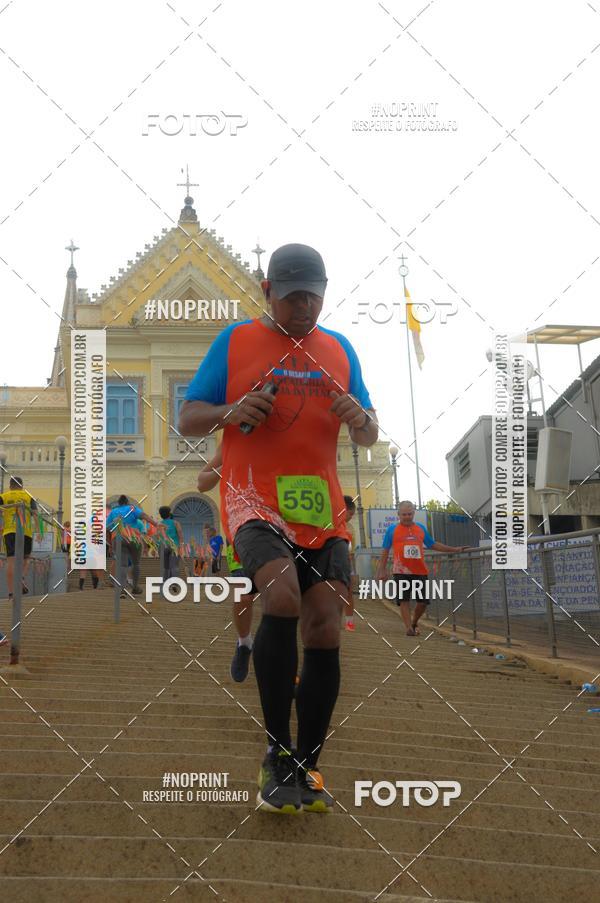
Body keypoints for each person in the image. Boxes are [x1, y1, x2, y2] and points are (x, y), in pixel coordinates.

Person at [179, 242, 378, 814]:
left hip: (319, 504)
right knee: (283, 595)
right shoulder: (236, 341)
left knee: (325, 628)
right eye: (292, 298)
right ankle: (276, 749)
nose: (304, 309)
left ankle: (307, 765)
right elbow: (190, 414)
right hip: (251, 495)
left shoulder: (339, 350)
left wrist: (358, 419)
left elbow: (367, 432)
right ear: (268, 292)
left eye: (313, 297)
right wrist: (231, 410)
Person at [197, 444, 257, 682]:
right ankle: (244, 643)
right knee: (244, 597)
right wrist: (227, 465)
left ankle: (284, 669)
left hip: (281, 529)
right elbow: (202, 482)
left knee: (283, 600)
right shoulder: (233, 443)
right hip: (242, 533)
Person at [377, 500, 467, 635]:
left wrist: (454, 549)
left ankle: (414, 623)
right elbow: (385, 551)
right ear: (398, 515)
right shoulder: (392, 530)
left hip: (419, 570)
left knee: (423, 602)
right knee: (404, 600)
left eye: (409, 514)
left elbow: (433, 544)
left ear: (414, 513)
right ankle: (408, 628)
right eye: (404, 514)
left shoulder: (420, 528)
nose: (407, 517)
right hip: (400, 570)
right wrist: (382, 570)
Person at [106, 495, 158, 597]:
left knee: (122, 565)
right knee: (136, 563)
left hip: (119, 538)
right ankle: (135, 587)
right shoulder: (132, 508)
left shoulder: (113, 512)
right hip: (134, 538)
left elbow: (107, 529)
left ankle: (122, 589)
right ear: (127, 502)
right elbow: (144, 516)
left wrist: (111, 545)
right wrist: (155, 524)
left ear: (119, 503)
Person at [0, 476, 37, 599]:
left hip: (9, 531)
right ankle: (20, 577)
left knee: (11, 561)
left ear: (10, 486)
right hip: (26, 532)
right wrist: (39, 532)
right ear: (22, 486)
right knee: (26, 558)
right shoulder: (28, 497)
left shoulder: (3, 497)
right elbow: (36, 515)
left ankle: (11, 593)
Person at [159, 506, 184, 582]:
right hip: (174, 546)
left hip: (163, 546)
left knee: (165, 567)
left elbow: (157, 536)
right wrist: (181, 546)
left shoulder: (160, 524)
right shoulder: (175, 523)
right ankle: (174, 583)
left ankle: (165, 582)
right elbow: (180, 535)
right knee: (174, 566)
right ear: (169, 514)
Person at [343, 495, 357, 631]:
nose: (351, 517)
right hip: (330, 564)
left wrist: (353, 571)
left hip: (345, 565)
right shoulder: (329, 525)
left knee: (348, 593)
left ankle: (349, 621)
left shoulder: (349, 530)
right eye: (350, 514)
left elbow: (351, 553)